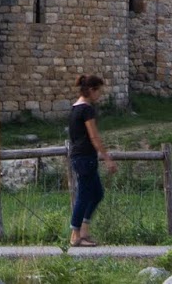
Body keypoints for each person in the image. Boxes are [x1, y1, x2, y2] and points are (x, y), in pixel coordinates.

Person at [68, 73, 117, 247]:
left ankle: (84, 231)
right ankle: (75, 234)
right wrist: (107, 158)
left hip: (80, 156)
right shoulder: (86, 109)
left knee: (96, 194)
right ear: (91, 90)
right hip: (85, 157)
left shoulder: (75, 108)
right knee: (84, 195)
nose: (100, 95)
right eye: (99, 91)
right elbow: (94, 136)